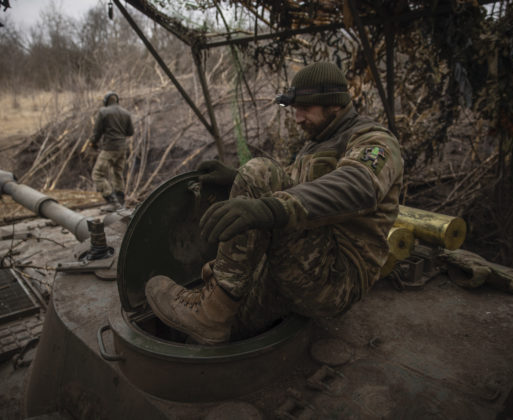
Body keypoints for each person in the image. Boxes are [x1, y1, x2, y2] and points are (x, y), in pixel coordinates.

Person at [145, 62, 404, 344]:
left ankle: (210, 312)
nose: (298, 118)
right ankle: (214, 310)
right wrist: (235, 179)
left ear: (334, 104)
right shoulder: (317, 144)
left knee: (259, 170)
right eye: (294, 109)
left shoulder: (373, 140)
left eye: (305, 108)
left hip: (337, 277)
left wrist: (267, 204)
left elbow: (359, 185)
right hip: (305, 263)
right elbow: (295, 186)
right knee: (221, 331)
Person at [90, 91, 134, 212]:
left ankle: (112, 200)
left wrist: (93, 142)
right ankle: (121, 203)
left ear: (105, 101)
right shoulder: (126, 113)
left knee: (97, 174)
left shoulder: (103, 112)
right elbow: (130, 132)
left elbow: (97, 132)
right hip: (122, 148)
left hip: (109, 148)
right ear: (117, 100)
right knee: (117, 174)